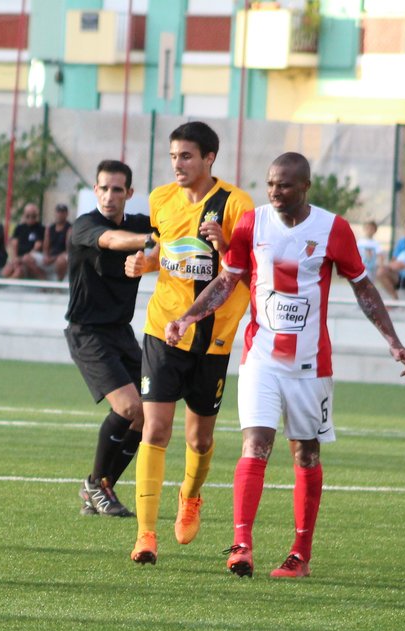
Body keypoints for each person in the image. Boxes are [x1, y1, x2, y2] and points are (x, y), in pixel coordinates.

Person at [164, 152, 405, 578]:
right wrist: (187, 317)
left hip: (310, 366)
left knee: (306, 454)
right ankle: (241, 546)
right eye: (270, 184)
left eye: (284, 185)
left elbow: (363, 287)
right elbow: (228, 279)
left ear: (305, 187)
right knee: (255, 444)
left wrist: (392, 340)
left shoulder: (333, 229)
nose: (275, 192)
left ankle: (300, 555)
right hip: (261, 358)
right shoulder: (252, 223)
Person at [124, 121, 254, 565]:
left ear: (209, 158)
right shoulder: (161, 199)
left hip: (213, 340)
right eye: (173, 156)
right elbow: (165, 252)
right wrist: (144, 264)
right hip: (163, 330)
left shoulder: (236, 204)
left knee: (199, 440)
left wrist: (227, 245)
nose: (177, 164)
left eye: (186, 156)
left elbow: (247, 271)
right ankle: (145, 535)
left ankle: (190, 495)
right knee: (155, 429)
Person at [66, 160, 153, 518]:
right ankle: (95, 485)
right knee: (128, 407)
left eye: (117, 189)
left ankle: (101, 489)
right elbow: (112, 240)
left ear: (129, 193)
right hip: (88, 332)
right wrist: (149, 241)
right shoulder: (85, 225)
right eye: (103, 188)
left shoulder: (141, 223)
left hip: (121, 332)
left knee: (147, 413)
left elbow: (175, 227)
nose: (109, 195)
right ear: (95, 190)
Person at [3, 203, 46, 280]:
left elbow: (38, 246)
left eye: (33, 216)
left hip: (32, 257)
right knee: (7, 270)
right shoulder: (19, 228)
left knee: (20, 270)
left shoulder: (41, 228)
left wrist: (22, 258)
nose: (30, 218)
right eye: (28, 215)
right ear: (24, 215)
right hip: (19, 257)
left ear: (37, 215)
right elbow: (14, 244)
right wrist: (15, 258)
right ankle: (0, 283)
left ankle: (42, 278)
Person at [42, 203, 71, 281]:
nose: (60, 214)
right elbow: (46, 246)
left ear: (66, 214)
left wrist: (53, 259)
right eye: (58, 212)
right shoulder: (50, 228)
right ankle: (43, 281)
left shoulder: (69, 229)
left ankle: (58, 283)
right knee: (29, 259)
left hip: (62, 256)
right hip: (51, 256)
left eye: (62, 212)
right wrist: (46, 256)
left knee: (61, 261)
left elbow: (68, 249)